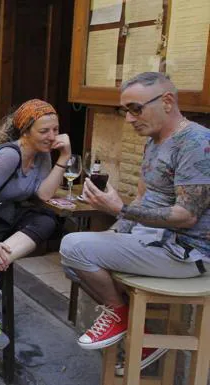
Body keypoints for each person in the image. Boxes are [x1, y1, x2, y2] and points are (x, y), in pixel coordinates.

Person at [60, 72, 210, 372]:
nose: (129, 119)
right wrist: (118, 228)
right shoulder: (155, 141)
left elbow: (187, 215)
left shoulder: (196, 143)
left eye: (135, 108)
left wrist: (120, 209)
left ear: (167, 101)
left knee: (73, 245)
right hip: (151, 239)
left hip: (186, 252)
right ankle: (142, 335)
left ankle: (120, 317)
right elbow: (144, 199)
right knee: (72, 261)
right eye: (125, 110)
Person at [0, 99, 71, 348]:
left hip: (5, 223)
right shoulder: (10, 155)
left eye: (55, 129)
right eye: (44, 131)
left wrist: (64, 156)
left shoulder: (43, 155)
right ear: (25, 131)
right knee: (8, 225)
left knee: (48, 219)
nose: (52, 136)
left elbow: (43, 195)